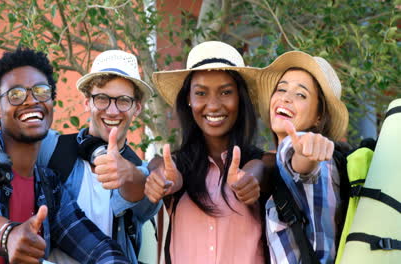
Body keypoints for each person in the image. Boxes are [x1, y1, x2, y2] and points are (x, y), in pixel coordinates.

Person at [0, 50, 161, 263]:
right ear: (87, 102)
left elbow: (103, 238)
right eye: (102, 98)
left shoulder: (139, 171)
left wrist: (132, 174)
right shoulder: (52, 147)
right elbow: (3, 136)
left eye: (124, 101)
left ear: (137, 108)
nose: (113, 110)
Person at [144, 41, 265, 263]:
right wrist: (160, 180)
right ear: (188, 100)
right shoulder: (174, 165)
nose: (213, 105)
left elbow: (257, 170)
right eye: (201, 93)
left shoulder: (261, 164)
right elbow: (165, 173)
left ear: (240, 98)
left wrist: (250, 181)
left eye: (226, 92)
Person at [254, 51, 349, 264]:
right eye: (281, 89)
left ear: (318, 117)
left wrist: (308, 151)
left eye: (301, 94)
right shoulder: (279, 160)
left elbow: (301, 164)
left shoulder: (299, 147)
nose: (286, 97)